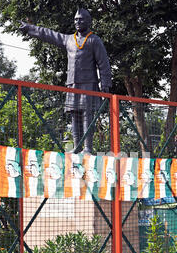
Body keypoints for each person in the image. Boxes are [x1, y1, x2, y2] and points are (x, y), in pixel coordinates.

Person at [19, 8, 112, 154]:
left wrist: (105, 83)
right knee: (74, 115)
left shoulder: (94, 40)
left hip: (89, 83)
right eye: (75, 19)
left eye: (80, 19)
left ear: (88, 21)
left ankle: (87, 148)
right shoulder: (69, 39)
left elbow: (104, 63)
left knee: (88, 115)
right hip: (72, 84)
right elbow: (49, 34)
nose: (77, 22)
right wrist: (30, 28)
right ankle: (77, 147)